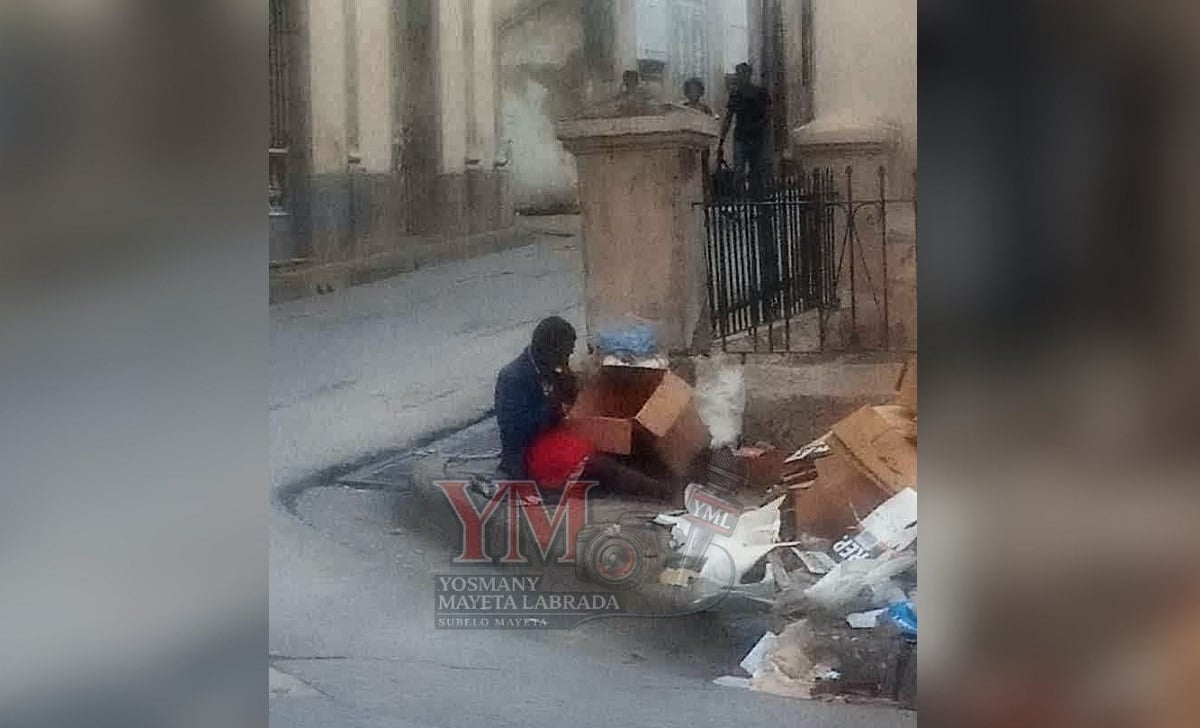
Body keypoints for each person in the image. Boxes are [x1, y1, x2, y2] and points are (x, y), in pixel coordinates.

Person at [494, 317, 674, 501]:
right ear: (550, 349)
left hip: (553, 436)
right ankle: (661, 492)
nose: (568, 358)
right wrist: (553, 404)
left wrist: (573, 386)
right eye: (565, 353)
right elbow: (515, 432)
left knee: (611, 446)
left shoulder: (549, 366)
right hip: (529, 452)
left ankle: (658, 481)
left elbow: (568, 404)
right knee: (597, 463)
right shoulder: (513, 377)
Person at [717, 63, 771, 196]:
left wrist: (759, 127)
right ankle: (742, 202)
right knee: (739, 172)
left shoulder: (760, 93)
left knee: (756, 172)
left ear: (749, 75)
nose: (741, 77)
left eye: (743, 74)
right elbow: (728, 118)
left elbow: (768, 115)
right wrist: (721, 141)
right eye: (739, 74)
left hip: (755, 137)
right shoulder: (735, 95)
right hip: (742, 137)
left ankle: (756, 201)